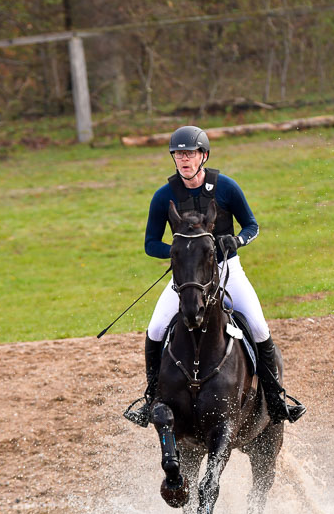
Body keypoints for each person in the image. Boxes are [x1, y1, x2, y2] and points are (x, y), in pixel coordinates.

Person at [125, 125, 306, 428]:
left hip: (227, 268)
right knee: (156, 329)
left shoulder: (226, 188)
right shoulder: (164, 196)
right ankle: (151, 398)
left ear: (204, 156)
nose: (184, 159)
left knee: (258, 327)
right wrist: (183, 253)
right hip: (188, 276)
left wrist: (238, 240)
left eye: (190, 153)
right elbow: (150, 244)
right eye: (178, 154)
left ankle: (276, 400)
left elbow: (252, 225)